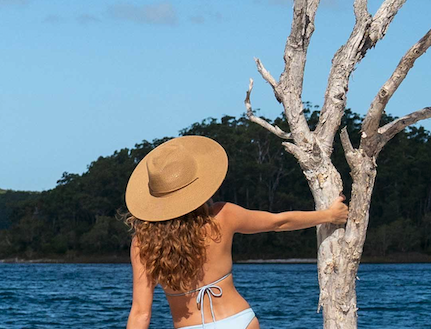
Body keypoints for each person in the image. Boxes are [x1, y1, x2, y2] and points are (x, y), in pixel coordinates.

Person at [124, 136, 348, 329]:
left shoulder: (143, 243)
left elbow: (141, 313)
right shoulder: (222, 216)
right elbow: (279, 222)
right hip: (238, 320)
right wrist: (329, 215)